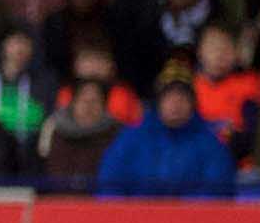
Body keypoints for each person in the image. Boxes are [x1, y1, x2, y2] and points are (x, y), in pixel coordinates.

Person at [96, 76, 237, 195]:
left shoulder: (210, 144)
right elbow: (109, 184)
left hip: (191, 221)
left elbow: (217, 191)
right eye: (169, 98)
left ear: (192, 105)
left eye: (182, 99)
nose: (176, 105)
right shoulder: (131, 139)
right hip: (135, 219)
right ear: (158, 102)